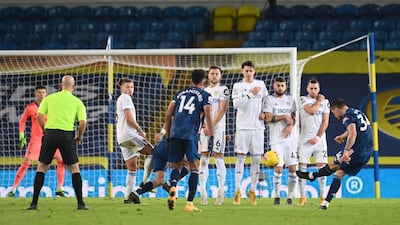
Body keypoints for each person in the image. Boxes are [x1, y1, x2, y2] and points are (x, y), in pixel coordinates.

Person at [296, 98, 372, 210]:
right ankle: (325, 203)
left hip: (356, 152)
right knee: (339, 173)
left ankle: (312, 176)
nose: (335, 116)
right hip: (367, 153)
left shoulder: (347, 117)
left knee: (333, 164)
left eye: (333, 113)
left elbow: (353, 133)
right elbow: (356, 129)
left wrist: (346, 151)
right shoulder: (357, 112)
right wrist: (343, 136)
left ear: (336, 109)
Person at [27, 76, 88, 210]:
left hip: (50, 134)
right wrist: (79, 136)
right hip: (67, 135)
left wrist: (45, 130)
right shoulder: (77, 102)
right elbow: (83, 122)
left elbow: (39, 115)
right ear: (73, 86)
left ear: (61, 85)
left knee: (42, 167)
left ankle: (34, 203)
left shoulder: (49, 98)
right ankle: (80, 203)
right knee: (74, 169)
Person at [165, 69, 213, 212]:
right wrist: (211, 129)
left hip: (175, 133)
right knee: (195, 168)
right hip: (191, 134)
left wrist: (168, 136)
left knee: (176, 166)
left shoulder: (180, 94)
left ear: (191, 81)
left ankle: (173, 185)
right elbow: (208, 111)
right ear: (204, 82)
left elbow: (168, 115)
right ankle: (189, 204)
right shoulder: (205, 95)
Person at [8, 85, 66, 198]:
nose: (41, 95)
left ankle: (60, 188)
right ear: (35, 93)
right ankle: (13, 189)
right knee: (26, 163)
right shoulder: (30, 108)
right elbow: (22, 121)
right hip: (36, 141)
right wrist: (21, 135)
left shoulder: (51, 106)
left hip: (50, 139)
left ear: (46, 93)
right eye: (39, 92)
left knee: (61, 160)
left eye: (43, 92)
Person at [232, 60, 268, 205]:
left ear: (254, 71)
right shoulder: (238, 86)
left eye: (250, 71)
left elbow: (266, 101)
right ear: (242, 72)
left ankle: (252, 190)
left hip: (258, 128)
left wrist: (264, 112)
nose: (248, 73)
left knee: (256, 160)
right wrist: (250, 95)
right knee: (240, 158)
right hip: (243, 127)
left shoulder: (261, 84)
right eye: (246, 71)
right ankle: (237, 191)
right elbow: (236, 105)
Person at [115, 78, 153, 204]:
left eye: (132, 87)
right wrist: (140, 130)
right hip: (129, 135)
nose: (130, 89)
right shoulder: (125, 98)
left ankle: (127, 197)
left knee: (132, 168)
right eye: (127, 86)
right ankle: (145, 182)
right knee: (153, 152)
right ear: (121, 88)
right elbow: (129, 118)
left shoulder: (120, 99)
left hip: (121, 137)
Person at [262, 77, 297, 205]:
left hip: (290, 140)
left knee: (293, 169)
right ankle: (276, 195)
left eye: (282, 85)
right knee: (279, 168)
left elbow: (294, 117)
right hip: (276, 140)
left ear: (285, 86)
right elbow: (268, 118)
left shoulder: (290, 99)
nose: (280, 88)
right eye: (278, 85)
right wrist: (284, 116)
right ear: (274, 86)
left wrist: (290, 125)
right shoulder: (269, 100)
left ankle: (290, 197)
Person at [199, 66, 229, 205]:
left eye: (217, 73)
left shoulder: (223, 89)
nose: (214, 76)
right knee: (204, 157)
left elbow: (222, 110)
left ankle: (221, 191)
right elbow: (201, 111)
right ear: (208, 76)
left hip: (218, 129)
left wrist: (211, 126)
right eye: (212, 73)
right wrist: (204, 126)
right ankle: (203, 192)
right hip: (205, 128)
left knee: (218, 157)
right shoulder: (204, 91)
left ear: (220, 76)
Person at [298, 79, 330, 205]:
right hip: (305, 140)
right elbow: (311, 111)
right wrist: (318, 101)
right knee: (302, 168)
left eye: (315, 88)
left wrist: (317, 137)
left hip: (320, 140)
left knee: (322, 167)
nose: (313, 90)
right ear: (307, 89)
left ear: (319, 88)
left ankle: (322, 197)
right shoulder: (303, 100)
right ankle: (302, 197)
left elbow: (325, 122)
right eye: (311, 88)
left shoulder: (326, 102)